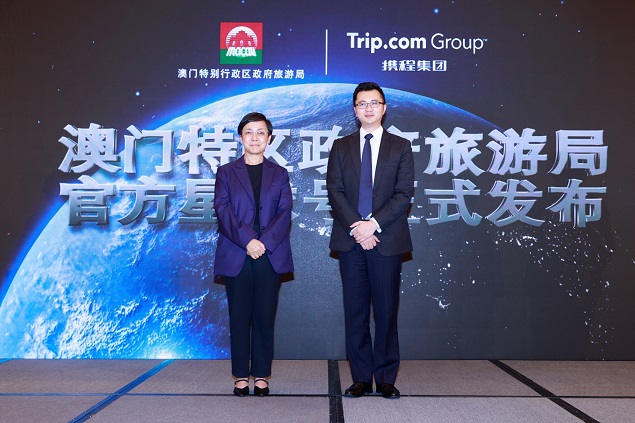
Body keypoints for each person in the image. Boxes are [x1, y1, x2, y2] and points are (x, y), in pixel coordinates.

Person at [326, 82, 414, 399]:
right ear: (354, 110)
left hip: (386, 241)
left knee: (387, 313)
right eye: (362, 103)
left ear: (384, 107)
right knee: (356, 313)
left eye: (374, 102)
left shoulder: (400, 146)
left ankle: (386, 378)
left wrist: (373, 225)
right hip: (352, 241)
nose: (368, 108)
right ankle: (361, 378)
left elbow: (403, 194)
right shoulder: (341, 146)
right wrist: (358, 228)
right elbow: (335, 191)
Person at [213, 112, 294, 397]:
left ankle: (261, 375)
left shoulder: (280, 174)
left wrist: (263, 243)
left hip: (269, 254)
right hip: (237, 251)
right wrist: (248, 240)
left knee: (264, 316)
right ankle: (239, 376)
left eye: (261, 132)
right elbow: (222, 210)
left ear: (269, 138)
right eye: (249, 132)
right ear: (241, 138)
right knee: (239, 316)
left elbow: (285, 212)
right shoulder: (226, 172)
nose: (255, 137)